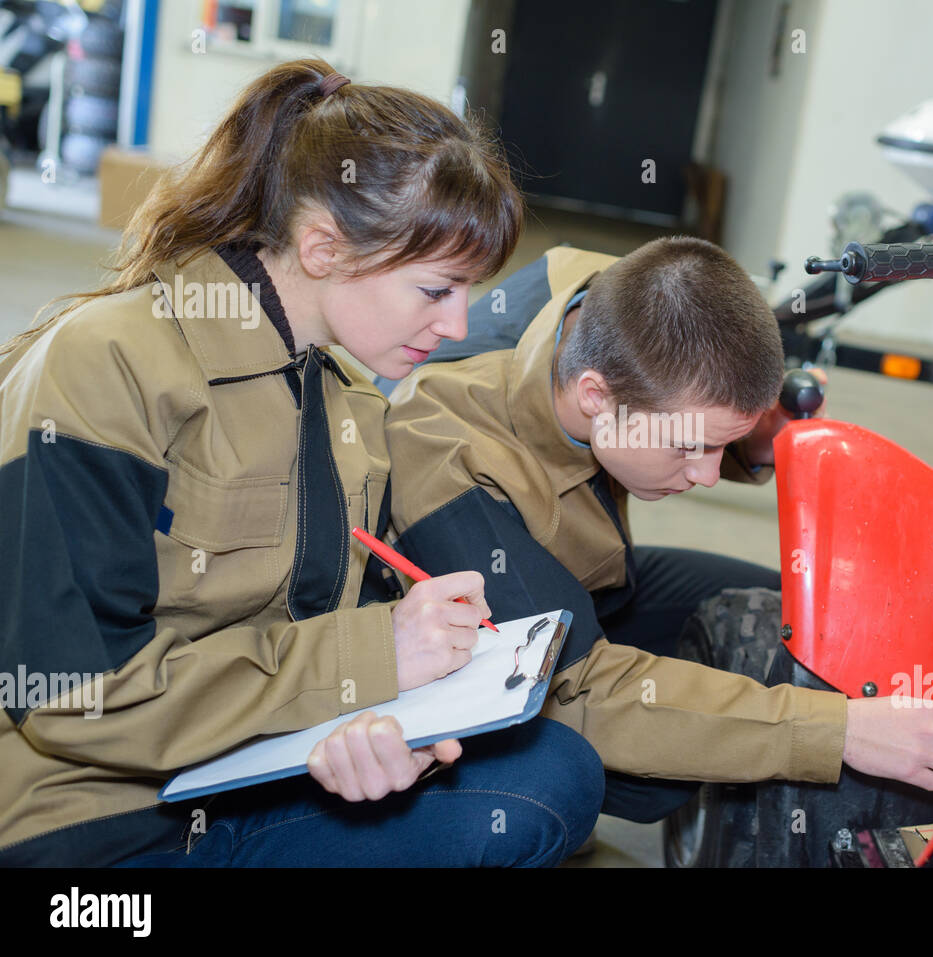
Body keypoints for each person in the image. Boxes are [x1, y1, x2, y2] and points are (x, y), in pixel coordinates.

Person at [0, 59, 604, 867]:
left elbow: (310, 639)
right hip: (94, 822)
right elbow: (74, 695)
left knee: (552, 770)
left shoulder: (345, 397)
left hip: (243, 769)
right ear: (322, 247)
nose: (460, 323)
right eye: (436, 289)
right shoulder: (108, 361)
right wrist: (366, 659)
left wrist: (371, 724)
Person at [381, 239, 933, 825]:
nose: (710, 477)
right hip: (489, 630)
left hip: (594, 568)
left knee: (792, 612)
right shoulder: (448, 458)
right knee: (615, 766)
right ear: (594, 397)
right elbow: (575, 684)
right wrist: (839, 732)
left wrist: (757, 439)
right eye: (690, 447)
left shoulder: (610, 295)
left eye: (718, 448)